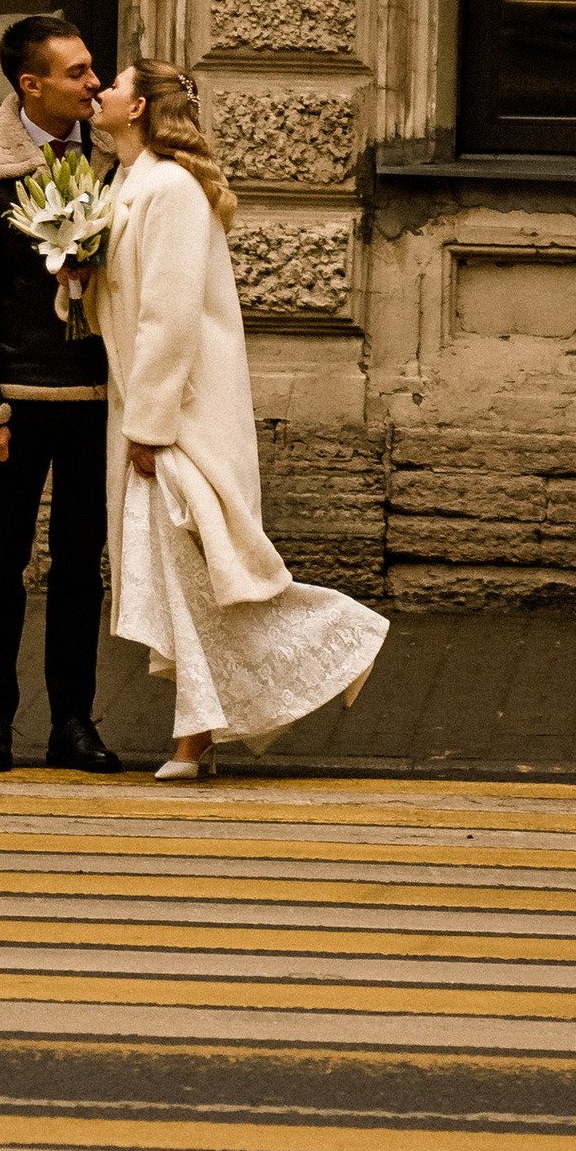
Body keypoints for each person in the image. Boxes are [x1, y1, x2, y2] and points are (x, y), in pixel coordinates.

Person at [88, 61, 387, 781]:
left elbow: (171, 317)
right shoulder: (126, 184)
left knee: (198, 575)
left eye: (115, 83)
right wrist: (72, 284)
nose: (99, 91)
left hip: (177, 421)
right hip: (148, 416)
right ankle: (200, 735)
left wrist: (151, 428)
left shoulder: (170, 188)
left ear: (138, 110)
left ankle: (339, 636)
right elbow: (120, 302)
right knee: (180, 579)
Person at [0, 11, 124, 777]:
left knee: (83, 568)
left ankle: (74, 724)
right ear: (30, 84)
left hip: (95, 399)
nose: (95, 83)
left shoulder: (117, 161)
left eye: (92, 69)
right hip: (16, 400)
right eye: (78, 73)